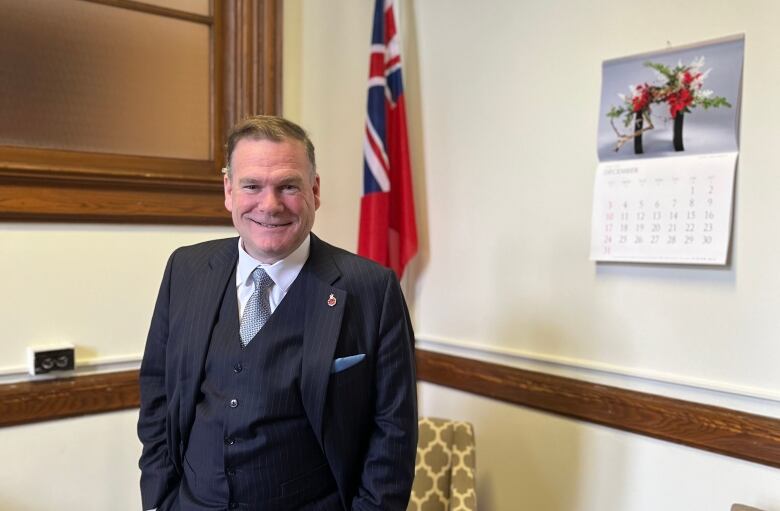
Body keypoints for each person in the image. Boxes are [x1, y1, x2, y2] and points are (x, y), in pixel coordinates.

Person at [137, 115, 417, 511]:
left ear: (314, 191)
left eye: (288, 186)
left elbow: (394, 435)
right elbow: (157, 395)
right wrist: (160, 502)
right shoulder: (185, 270)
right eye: (252, 186)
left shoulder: (372, 289)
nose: (269, 205)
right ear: (229, 191)